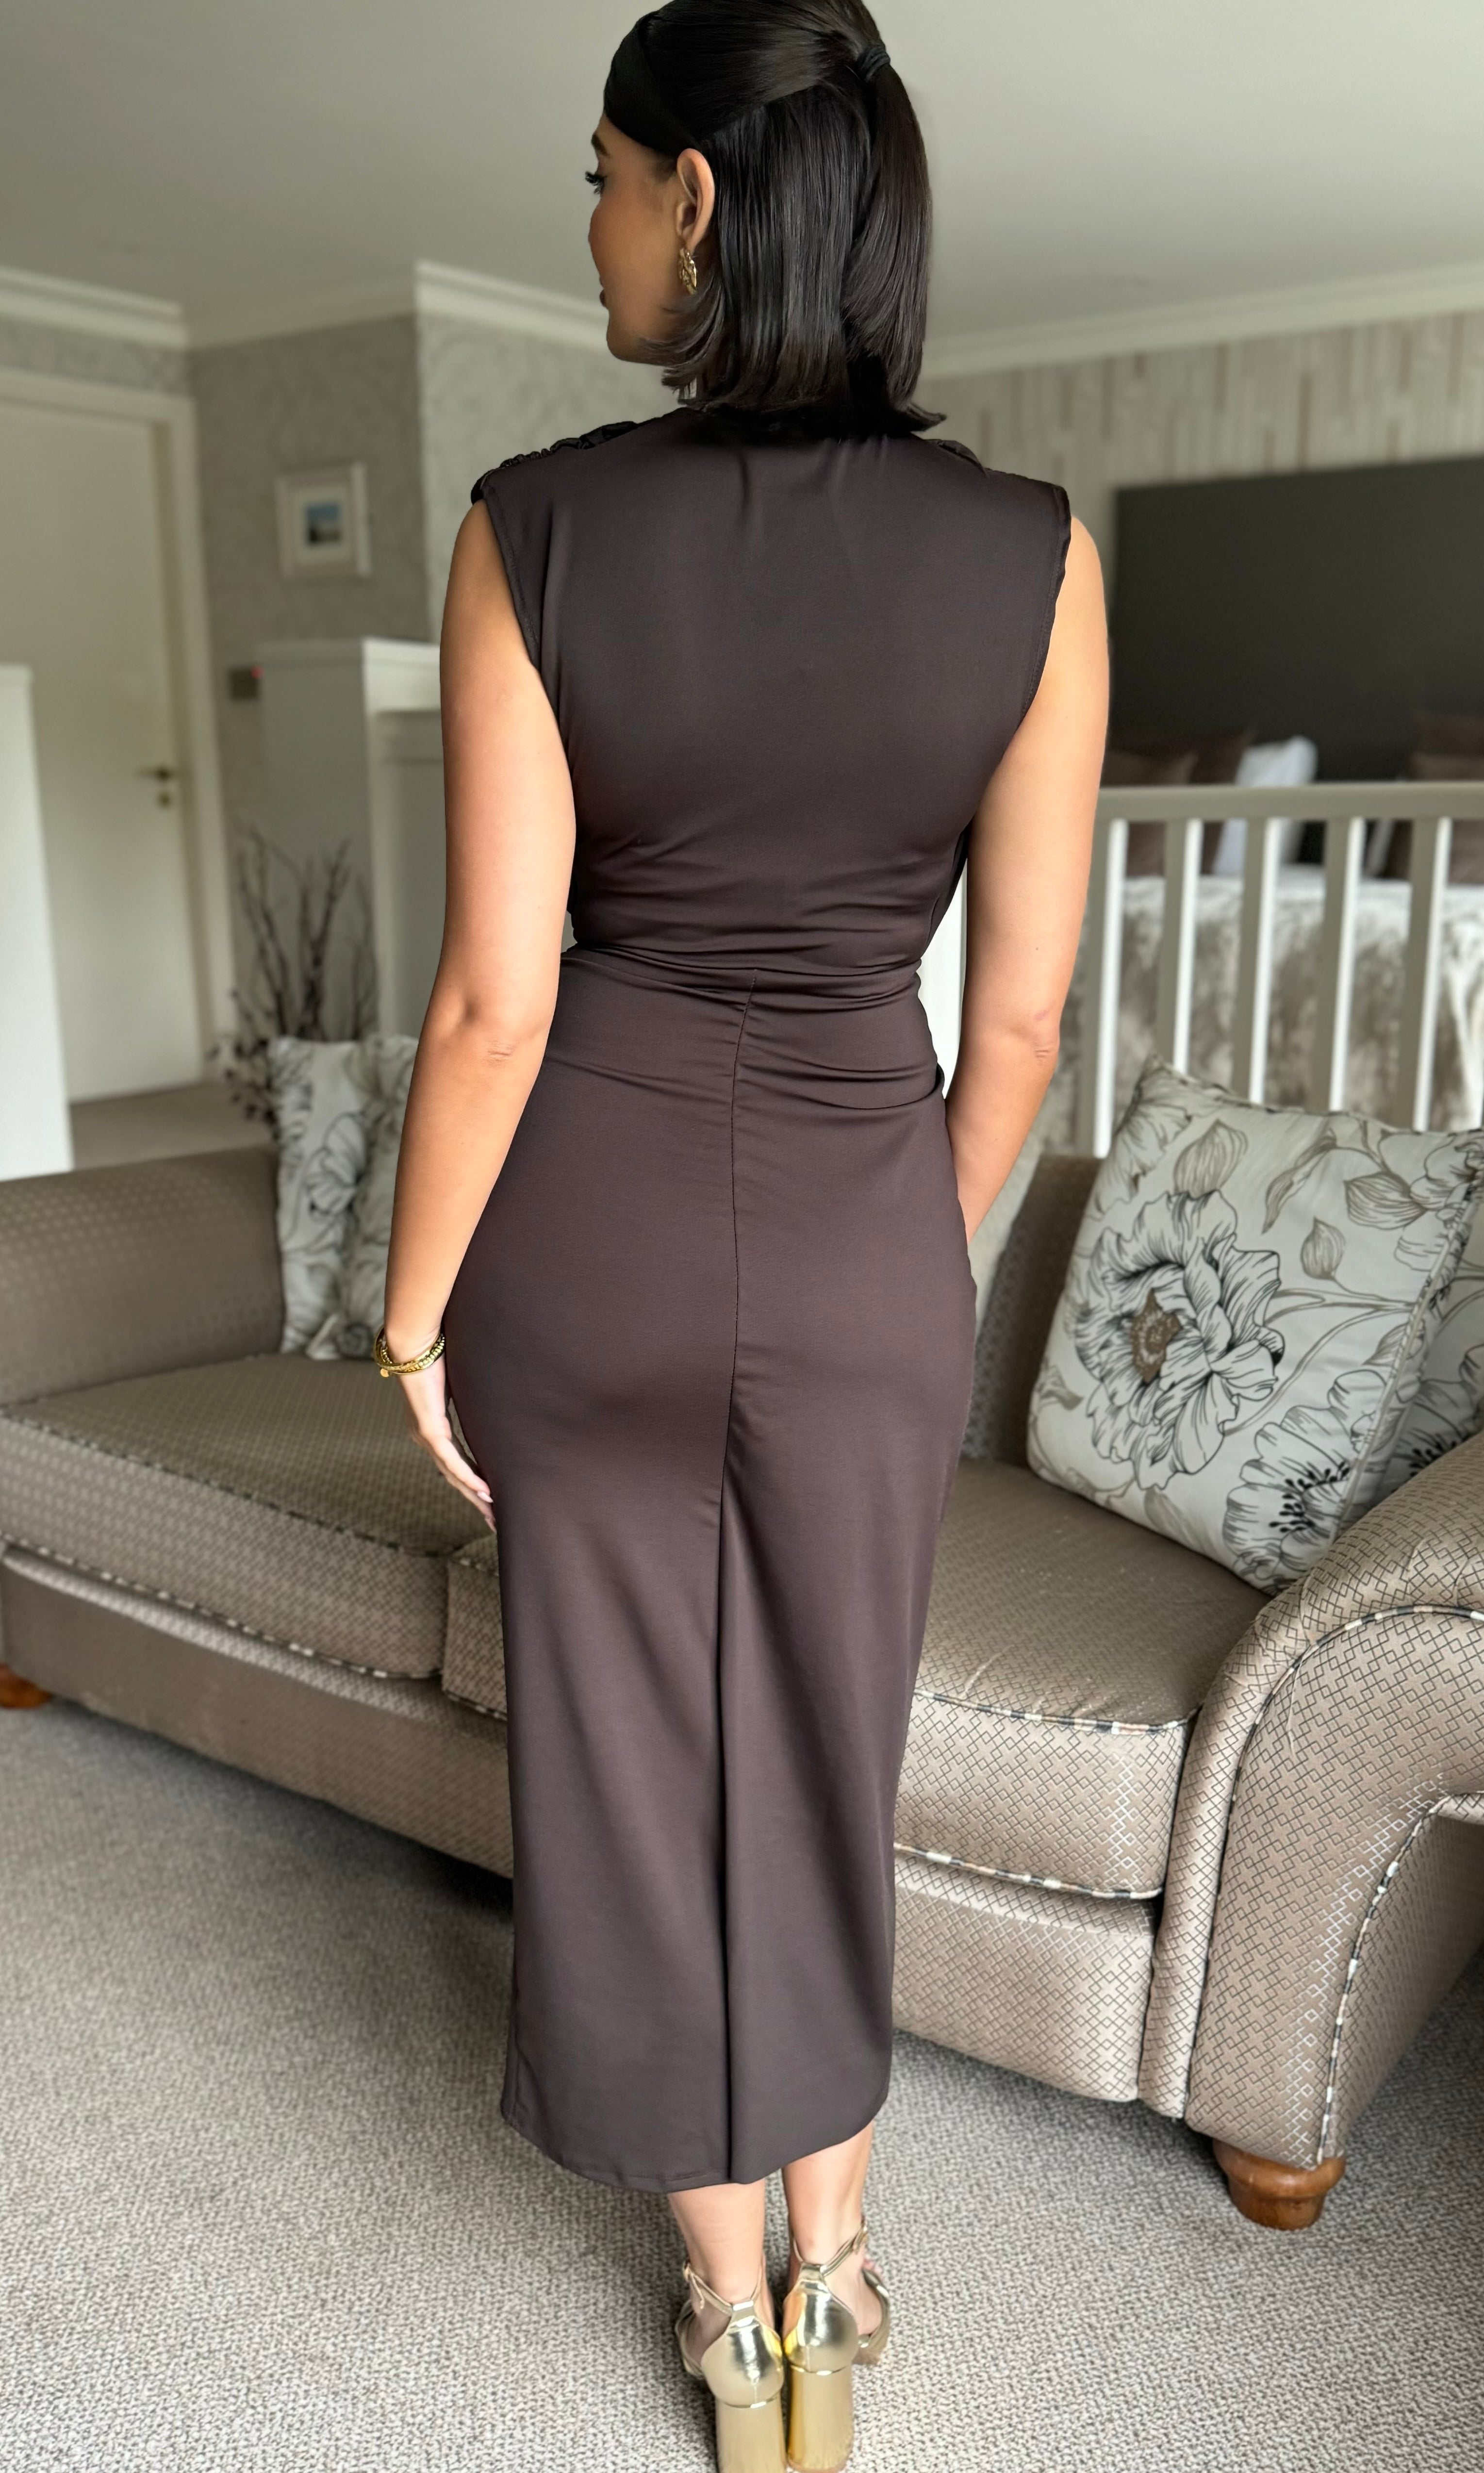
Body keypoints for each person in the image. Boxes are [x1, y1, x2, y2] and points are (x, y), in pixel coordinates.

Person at [379, 4, 1106, 2465]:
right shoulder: (1036, 558)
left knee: (619, 1767)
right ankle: (840, 2270)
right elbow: (1020, 1024)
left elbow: (494, 1006)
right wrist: (891, 1250)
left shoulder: (534, 530)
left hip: (582, 1238)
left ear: (695, 200)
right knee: (822, 1746)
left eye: (601, 173)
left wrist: (407, 1320)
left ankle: (725, 2316)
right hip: (860, 1231)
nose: (583, 221)